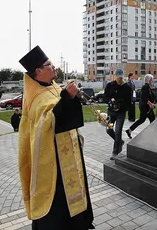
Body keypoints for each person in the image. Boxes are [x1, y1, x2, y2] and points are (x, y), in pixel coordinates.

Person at [18, 46, 94, 230]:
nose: (54, 67)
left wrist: (69, 97)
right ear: (38, 71)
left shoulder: (51, 86)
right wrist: (66, 98)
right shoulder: (34, 96)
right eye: (49, 64)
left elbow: (63, 108)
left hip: (68, 152)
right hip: (53, 161)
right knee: (57, 201)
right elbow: (46, 123)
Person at [104, 69, 132, 160]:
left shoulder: (127, 87)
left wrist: (121, 106)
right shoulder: (110, 86)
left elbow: (129, 101)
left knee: (118, 131)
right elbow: (105, 97)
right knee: (108, 130)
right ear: (115, 76)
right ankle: (120, 142)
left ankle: (115, 152)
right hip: (111, 111)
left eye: (121, 77)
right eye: (118, 77)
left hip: (121, 112)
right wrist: (110, 100)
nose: (120, 79)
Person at [125, 74, 156, 139]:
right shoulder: (145, 87)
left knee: (149, 120)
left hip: (147, 107)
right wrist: (150, 104)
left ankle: (129, 130)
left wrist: (152, 103)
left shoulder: (148, 87)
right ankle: (129, 130)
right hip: (145, 107)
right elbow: (144, 98)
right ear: (149, 80)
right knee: (144, 120)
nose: (152, 80)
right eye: (151, 79)